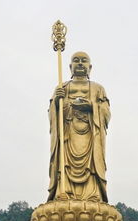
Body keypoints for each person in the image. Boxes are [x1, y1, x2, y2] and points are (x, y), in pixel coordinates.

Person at [48, 51, 111, 202]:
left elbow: (106, 112)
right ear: (70, 66)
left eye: (84, 61)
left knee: (92, 166)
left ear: (90, 67)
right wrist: (57, 101)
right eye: (76, 61)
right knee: (65, 164)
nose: (80, 64)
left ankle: (92, 195)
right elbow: (53, 114)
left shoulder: (98, 88)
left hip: (90, 135)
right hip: (68, 134)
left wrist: (91, 106)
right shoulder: (62, 87)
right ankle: (64, 193)